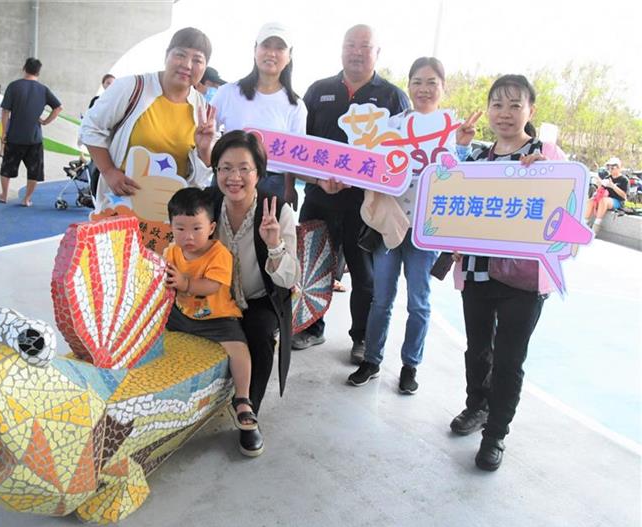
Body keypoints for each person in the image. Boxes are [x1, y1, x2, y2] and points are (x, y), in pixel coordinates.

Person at [449, 74, 566, 471]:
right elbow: (447, 195)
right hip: (478, 272)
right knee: (477, 349)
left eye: (515, 105)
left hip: (525, 279)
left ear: (530, 111)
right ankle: (475, 407)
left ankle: (496, 433)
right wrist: (458, 149)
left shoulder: (545, 154)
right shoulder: (478, 158)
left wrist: (547, 171)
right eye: (497, 104)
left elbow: (568, 199)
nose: (504, 113)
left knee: (510, 359)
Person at [348, 57, 478, 394]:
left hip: (426, 230)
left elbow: (460, 178)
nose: (424, 88)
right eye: (417, 81)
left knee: (419, 301)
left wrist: (461, 147)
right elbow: (372, 164)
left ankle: (410, 366)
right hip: (391, 224)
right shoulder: (391, 125)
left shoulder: (454, 129)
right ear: (409, 86)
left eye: (432, 81)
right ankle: (372, 360)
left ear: (443, 87)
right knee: (382, 298)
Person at [291, 24, 409, 363]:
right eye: (350, 44)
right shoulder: (318, 91)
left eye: (364, 46)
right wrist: (316, 180)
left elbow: (399, 158)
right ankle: (312, 327)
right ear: (341, 48)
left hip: (366, 207)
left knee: (364, 276)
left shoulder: (392, 96)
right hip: (319, 200)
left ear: (377, 53)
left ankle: (360, 339)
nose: (356, 51)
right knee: (313, 268)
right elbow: (302, 146)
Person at [206, 130, 300, 456]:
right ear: (215, 171)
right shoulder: (207, 204)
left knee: (259, 335)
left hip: (259, 298)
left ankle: (250, 414)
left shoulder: (278, 211)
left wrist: (274, 244)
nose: (234, 177)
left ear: (258, 173)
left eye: (244, 168)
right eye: (225, 167)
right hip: (212, 296)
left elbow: (289, 277)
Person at [163, 187, 259, 456]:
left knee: (239, 350)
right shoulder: (171, 251)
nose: (188, 236)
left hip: (217, 318)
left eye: (196, 228)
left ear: (211, 227)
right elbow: (165, 279)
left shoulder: (219, 254)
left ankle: (242, 398)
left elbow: (213, 286)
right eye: (180, 228)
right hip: (181, 314)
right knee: (152, 324)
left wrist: (184, 282)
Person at [80, 27, 216, 211]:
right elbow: (90, 127)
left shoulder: (202, 109)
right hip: (122, 206)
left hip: (169, 215)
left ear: (204, 67)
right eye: (181, 55)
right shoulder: (132, 88)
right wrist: (109, 171)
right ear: (167, 55)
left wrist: (204, 149)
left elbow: (199, 179)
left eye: (197, 60)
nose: (187, 65)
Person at [210, 22, 307, 207]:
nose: (271, 53)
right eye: (266, 46)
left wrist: (289, 188)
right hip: (229, 180)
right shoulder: (227, 92)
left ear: (289, 56)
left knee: (263, 235)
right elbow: (205, 135)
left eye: (279, 48)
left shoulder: (296, 106)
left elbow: (294, 157)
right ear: (255, 50)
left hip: (272, 185)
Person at [0, 57, 62, 206]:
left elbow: (5, 112)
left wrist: (4, 133)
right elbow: (58, 107)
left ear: (24, 68)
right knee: (34, 170)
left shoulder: (14, 86)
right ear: (38, 72)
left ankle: (3, 196)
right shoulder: (43, 89)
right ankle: (27, 200)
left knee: (7, 167)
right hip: (34, 138)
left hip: (15, 135)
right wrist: (45, 121)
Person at [585, 156, 628, 235]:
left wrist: (613, 186)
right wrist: (599, 184)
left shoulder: (624, 179)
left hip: (618, 202)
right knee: (591, 201)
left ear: (618, 168)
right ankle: (585, 224)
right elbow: (601, 190)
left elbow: (624, 196)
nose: (610, 169)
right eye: (609, 167)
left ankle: (595, 227)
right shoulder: (607, 177)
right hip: (605, 200)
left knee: (604, 200)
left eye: (613, 167)